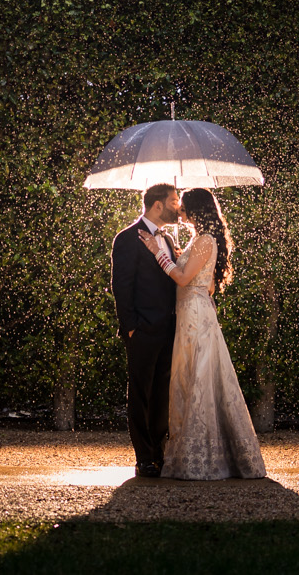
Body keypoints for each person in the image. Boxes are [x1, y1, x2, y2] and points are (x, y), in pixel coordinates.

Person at [137, 187, 266, 480]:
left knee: (198, 379)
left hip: (195, 318)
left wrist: (159, 253)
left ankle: (204, 459)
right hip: (187, 316)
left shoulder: (206, 241)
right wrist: (178, 254)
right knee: (185, 379)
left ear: (195, 211)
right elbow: (201, 279)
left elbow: (183, 279)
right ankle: (187, 455)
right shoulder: (198, 241)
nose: (179, 213)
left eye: (183, 209)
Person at [110, 183, 182, 476]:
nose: (178, 206)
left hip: (170, 330)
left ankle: (158, 452)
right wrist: (130, 329)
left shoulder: (169, 238)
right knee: (140, 394)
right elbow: (121, 287)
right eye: (174, 201)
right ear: (157, 205)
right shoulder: (126, 238)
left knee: (162, 394)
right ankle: (143, 458)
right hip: (141, 332)